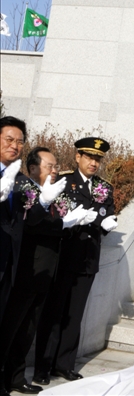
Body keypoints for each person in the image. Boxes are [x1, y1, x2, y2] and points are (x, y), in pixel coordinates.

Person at [0, 147, 90, 395]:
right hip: (26, 271)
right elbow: (30, 224)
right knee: (10, 328)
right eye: (49, 166)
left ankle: (16, 377)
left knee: (27, 329)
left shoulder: (51, 194)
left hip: (46, 272)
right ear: (32, 169)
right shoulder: (21, 188)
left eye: (56, 166)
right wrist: (62, 223)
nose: (55, 170)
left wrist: (74, 220)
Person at [34, 137, 117, 385]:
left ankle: (64, 364)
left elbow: (108, 215)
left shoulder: (104, 187)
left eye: (98, 159)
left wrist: (106, 223)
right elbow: (55, 216)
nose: (94, 162)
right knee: (54, 312)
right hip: (64, 256)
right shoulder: (64, 181)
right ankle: (43, 366)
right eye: (89, 157)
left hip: (88, 258)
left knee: (75, 314)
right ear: (78, 157)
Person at [0, 116, 28, 323]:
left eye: (19, 142)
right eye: (9, 140)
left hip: (9, 263)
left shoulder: (22, 180)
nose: (14, 146)